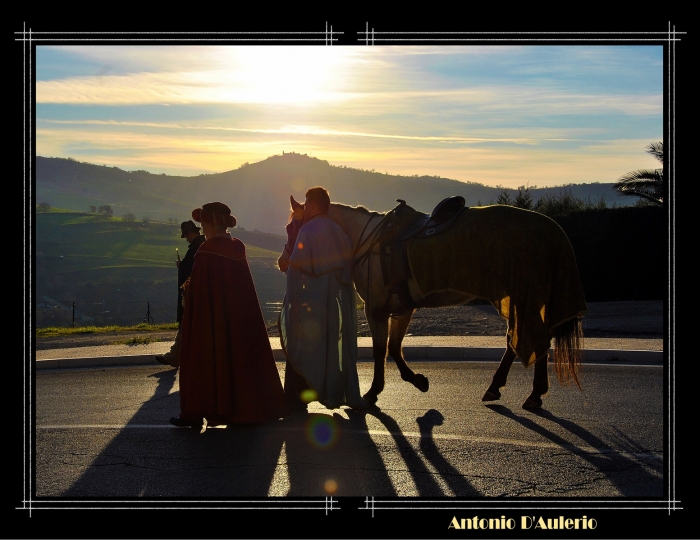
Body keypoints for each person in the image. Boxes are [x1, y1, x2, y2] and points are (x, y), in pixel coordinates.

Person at [170, 202, 289, 429]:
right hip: (239, 319)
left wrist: (188, 288)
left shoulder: (206, 251)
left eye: (204, 223)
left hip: (212, 321)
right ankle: (247, 409)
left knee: (203, 358)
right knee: (240, 359)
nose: (202, 228)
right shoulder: (237, 247)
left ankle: (195, 413)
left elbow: (201, 289)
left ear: (212, 224)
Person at [279, 186, 368, 413]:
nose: (305, 208)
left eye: (307, 204)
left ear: (315, 205)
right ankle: (333, 391)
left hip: (311, 305)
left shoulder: (308, 231)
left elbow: (295, 272)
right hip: (333, 308)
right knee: (330, 350)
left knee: (300, 348)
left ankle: (295, 399)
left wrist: (293, 302)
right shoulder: (339, 233)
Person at [155, 220, 205, 368]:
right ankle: (175, 356)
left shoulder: (196, 247)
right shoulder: (200, 245)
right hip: (193, 294)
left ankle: (175, 356)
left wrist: (180, 265)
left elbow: (189, 269)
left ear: (190, 233)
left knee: (185, 324)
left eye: (186, 236)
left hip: (190, 295)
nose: (187, 239)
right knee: (186, 325)